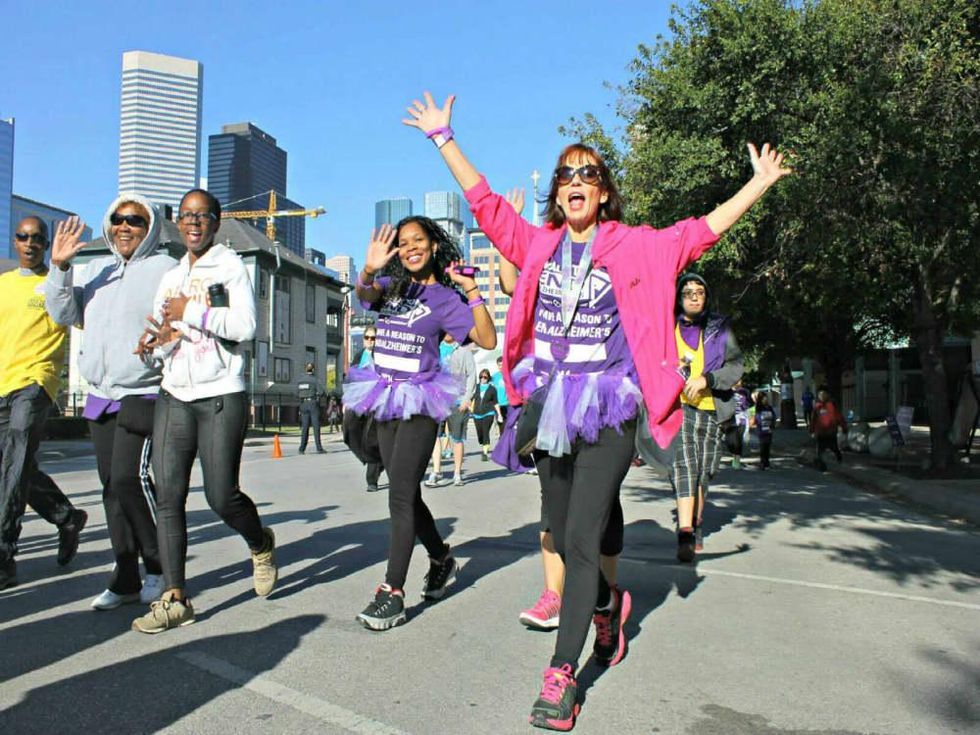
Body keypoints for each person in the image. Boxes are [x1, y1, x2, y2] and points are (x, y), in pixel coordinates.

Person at [403, 90, 790, 730]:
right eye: (566, 174)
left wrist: (759, 184)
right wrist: (443, 138)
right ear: (558, 193)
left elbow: (699, 232)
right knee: (559, 529)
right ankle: (607, 605)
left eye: (588, 173)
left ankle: (562, 676)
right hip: (551, 402)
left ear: (603, 192)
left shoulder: (635, 245)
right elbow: (486, 204)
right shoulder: (538, 245)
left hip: (610, 406)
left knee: (582, 537)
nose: (576, 181)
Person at [131, 189, 277, 634]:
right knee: (169, 494)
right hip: (174, 393)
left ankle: (260, 542)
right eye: (187, 216)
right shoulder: (171, 277)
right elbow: (169, 335)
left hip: (219, 394)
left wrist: (190, 310)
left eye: (203, 216)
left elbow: (244, 327)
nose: (194, 223)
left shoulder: (229, 266)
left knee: (220, 496)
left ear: (216, 222)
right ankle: (175, 597)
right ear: (178, 222)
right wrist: (156, 346)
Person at [346, 217, 495, 630]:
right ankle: (441, 558)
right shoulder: (392, 287)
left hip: (420, 401)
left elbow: (487, 340)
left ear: (433, 247)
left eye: (419, 240)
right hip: (383, 396)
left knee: (399, 495)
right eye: (404, 242)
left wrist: (472, 290)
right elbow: (363, 296)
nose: (411, 247)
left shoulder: (445, 299)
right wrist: (368, 270)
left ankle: (392, 592)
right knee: (407, 494)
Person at [45, 196, 176, 610]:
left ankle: (160, 567)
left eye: (134, 220)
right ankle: (125, 577)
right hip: (101, 395)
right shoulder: (96, 271)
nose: (124, 227)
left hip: (143, 391)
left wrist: (160, 349)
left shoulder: (166, 269)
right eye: (118, 219)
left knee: (128, 479)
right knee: (111, 489)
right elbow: (63, 313)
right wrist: (60, 267)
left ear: (150, 229)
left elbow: (177, 327)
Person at [0, 217, 88, 590]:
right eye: (23, 237)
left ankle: (4, 555)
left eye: (37, 238)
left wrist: (61, 268)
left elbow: (78, 316)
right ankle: (66, 516)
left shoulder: (56, 285)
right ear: (15, 241)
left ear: (47, 243)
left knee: (15, 458)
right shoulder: (3, 285)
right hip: (2, 385)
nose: (30, 242)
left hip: (36, 384)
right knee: (14, 467)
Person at [667, 273, 745, 561]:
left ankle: (696, 523)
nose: (694, 297)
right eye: (688, 292)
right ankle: (685, 533)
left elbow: (736, 366)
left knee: (703, 473)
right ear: (679, 298)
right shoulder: (667, 327)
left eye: (699, 292)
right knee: (684, 467)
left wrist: (707, 379)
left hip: (713, 410)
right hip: (678, 408)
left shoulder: (719, 329)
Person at [425, 334, 476, 487]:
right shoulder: (435, 349)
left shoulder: (463, 351)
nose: (448, 333)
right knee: (435, 436)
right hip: (437, 400)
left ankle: (457, 473)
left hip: (457, 400)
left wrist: (467, 398)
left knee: (457, 438)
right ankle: (436, 471)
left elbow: (472, 375)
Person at [350, 326, 384, 491]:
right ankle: (379, 461)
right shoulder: (359, 356)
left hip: (378, 403)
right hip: (361, 403)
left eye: (373, 338)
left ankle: (372, 480)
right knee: (352, 431)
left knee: (373, 439)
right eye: (367, 337)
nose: (370, 341)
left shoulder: (382, 356)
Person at [812, 386, 847, 470]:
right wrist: (812, 430)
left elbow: (839, 417)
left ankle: (839, 459)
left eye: (823, 394)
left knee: (834, 448)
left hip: (831, 432)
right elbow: (814, 419)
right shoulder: (817, 406)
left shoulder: (832, 405)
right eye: (820, 394)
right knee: (819, 450)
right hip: (820, 432)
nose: (822, 396)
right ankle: (821, 465)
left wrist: (844, 427)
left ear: (827, 395)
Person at [471, 368, 500, 461]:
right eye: (481, 377)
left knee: (486, 432)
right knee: (480, 434)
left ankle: (484, 453)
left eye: (485, 377)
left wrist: (499, 414)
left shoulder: (492, 389)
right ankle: (482, 442)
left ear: (488, 378)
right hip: (476, 414)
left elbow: (495, 402)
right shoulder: (476, 387)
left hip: (488, 413)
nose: (483, 379)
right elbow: (470, 398)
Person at [297, 362, 325, 453]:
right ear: (313, 369)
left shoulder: (300, 380)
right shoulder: (314, 380)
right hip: (313, 404)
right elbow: (321, 392)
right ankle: (319, 448)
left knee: (305, 427)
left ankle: (301, 449)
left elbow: (295, 392)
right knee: (316, 426)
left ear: (305, 369)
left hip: (303, 404)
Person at [730, 379, 754, 469]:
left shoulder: (745, 392)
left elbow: (751, 404)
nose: (738, 381)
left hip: (742, 418)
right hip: (731, 419)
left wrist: (750, 416)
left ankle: (737, 459)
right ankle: (734, 455)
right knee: (732, 441)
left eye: (739, 380)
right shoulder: (727, 391)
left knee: (739, 440)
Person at [754, 392, 776, 469]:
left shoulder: (769, 407)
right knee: (763, 446)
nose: (766, 399)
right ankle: (762, 462)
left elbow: (774, 416)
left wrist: (773, 424)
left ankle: (767, 462)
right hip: (762, 430)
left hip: (769, 430)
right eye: (764, 398)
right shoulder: (758, 408)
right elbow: (757, 418)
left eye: (766, 398)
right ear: (761, 400)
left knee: (768, 446)